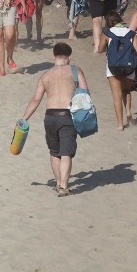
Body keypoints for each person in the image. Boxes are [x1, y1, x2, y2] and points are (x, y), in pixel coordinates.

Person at [20, 42, 90, 197]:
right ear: (69, 57)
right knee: (66, 152)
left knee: (54, 151)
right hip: (67, 115)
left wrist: (24, 118)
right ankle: (64, 186)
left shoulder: (45, 75)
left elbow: (35, 100)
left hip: (50, 117)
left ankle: (58, 183)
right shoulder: (75, 71)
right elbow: (85, 92)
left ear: (53, 56)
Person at [99, 11, 137, 131]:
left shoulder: (107, 33)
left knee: (116, 96)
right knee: (126, 90)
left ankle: (120, 125)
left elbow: (100, 49)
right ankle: (129, 112)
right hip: (129, 67)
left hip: (113, 68)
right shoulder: (131, 33)